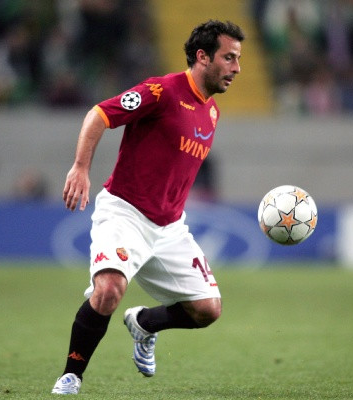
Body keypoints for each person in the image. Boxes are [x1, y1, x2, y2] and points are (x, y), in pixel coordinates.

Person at [51, 20, 245, 395]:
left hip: (170, 227)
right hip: (125, 213)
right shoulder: (161, 91)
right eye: (229, 58)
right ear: (203, 57)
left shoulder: (212, 112)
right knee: (108, 290)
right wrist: (80, 167)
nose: (237, 68)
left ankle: (144, 323)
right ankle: (71, 376)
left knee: (208, 310)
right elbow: (99, 114)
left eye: (238, 59)